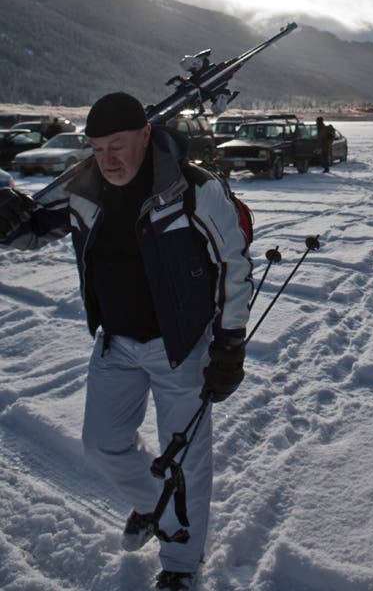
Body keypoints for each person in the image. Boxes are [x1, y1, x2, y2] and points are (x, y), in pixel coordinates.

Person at [0, 92, 253, 591]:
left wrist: (229, 343)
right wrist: (7, 215)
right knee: (101, 444)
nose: (107, 159)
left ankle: (180, 564)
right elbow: (31, 228)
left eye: (117, 146)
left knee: (185, 461)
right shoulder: (84, 186)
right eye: (96, 148)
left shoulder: (192, 189)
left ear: (145, 134)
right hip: (116, 343)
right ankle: (152, 502)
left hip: (180, 346)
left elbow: (232, 264)